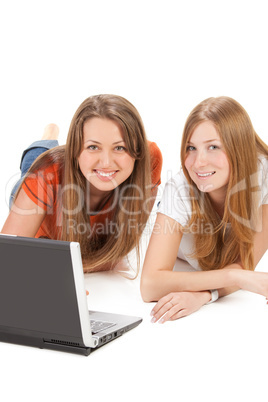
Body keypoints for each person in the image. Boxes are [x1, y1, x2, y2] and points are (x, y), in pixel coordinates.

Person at [1, 94, 162, 274]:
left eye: (120, 147)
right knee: (34, 163)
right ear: (75, 150)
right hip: (39, 193)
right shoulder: (45, 175)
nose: (106, 162)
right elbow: (7, 264)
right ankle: (49, 135)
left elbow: (121, 248)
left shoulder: (149, 159)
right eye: (93, 147)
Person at [140, 96, 268, 323]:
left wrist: (205, 295)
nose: (198, 163)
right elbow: (150, 285)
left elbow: (246, 263)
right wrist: (233, 276)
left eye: (213, 147)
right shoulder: (180, 188)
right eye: (191, 148)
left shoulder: (262, 173)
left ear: (239, 148)